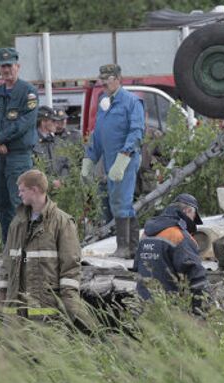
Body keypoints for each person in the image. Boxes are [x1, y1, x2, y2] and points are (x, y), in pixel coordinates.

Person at [0, 169, 89, 325]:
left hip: (47, 310)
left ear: (35, 190)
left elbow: (70, 267)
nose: (19, 194)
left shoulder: (62, 222)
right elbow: (7, 264)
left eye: (22, 190)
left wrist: (70, 306)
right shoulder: (17, 224)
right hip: (15, 312)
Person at [81, 64, 145, 258]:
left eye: (107, 79)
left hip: (124, 160)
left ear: (118, 78)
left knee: (120, 201)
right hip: (109, 159)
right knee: (117, 201)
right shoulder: (104, 101)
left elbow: (137, 131)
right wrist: (90, 159)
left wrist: (124, 156)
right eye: (102, 79)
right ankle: (132, 247)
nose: (103, 83)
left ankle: (124, 247)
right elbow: (99, 133)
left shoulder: (131, 102)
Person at [0, 47, 39, 243]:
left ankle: (21, 249)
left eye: (10, 65)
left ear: (18, 66)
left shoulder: (28, 92)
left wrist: (1, 138)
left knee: (19, 203)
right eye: (2, 66)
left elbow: (25, 123)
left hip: (18, 157)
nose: (6, 70)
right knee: (2, 205)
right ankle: (8, 248)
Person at [134, 193, 209, 315]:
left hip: (143, 306)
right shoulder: (179, 236)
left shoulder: (145, 234)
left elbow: (137, 267)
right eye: (193, 216)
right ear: (187, 210)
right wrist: (199, 312)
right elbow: (197, 278)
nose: (193, 222)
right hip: (169, 310)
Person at [34, 106, 70, 186]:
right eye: (53, 121)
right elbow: (33, 169)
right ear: (43, 122)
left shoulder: (57, 141)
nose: (56, 124)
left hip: (61, 189)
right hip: (42, 188)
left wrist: (62, 180)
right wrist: (50, 182)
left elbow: (66, 163)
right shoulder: (33, 142)